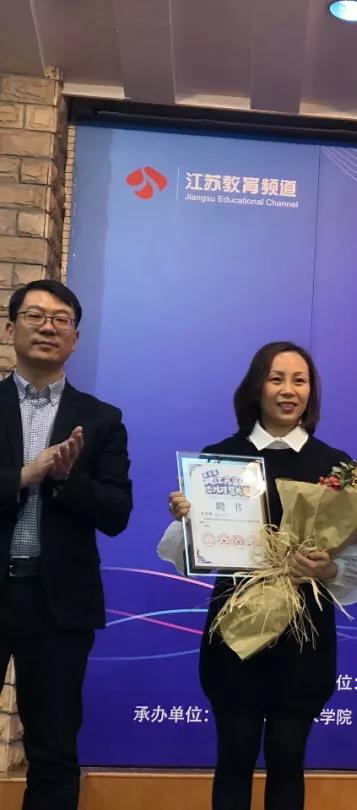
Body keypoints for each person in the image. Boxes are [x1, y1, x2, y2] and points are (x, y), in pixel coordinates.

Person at [158, 341, 357, 810]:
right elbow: (185, 555)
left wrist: (329, 568)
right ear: (256, 388)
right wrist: (188, 520)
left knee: (288, 758)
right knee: (234, 756)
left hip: (305, 634)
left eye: (300, 381)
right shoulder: (220, 458)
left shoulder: (336, 468)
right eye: (276, 379)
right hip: (236, 629)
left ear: (311, 392)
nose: (288, 390)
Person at [0, 280, 133, 810]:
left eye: (61, 319)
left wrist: (66, 479)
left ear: (75, 338)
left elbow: (117, 514)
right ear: (11, 328)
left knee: (53, 751)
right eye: (35, 315)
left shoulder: (102, 419)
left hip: (58, 604)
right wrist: (22, 476)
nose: (48, 327)